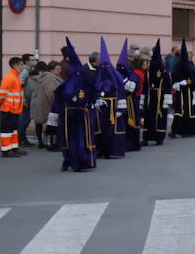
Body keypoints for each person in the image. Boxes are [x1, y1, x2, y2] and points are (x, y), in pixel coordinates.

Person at [52, 39, 99, 172]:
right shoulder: (83, 81)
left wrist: (55, 114)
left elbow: (58, 98)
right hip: (78, 115)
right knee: (78, 139)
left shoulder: (67, 84)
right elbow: (93, 96)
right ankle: (78, 162)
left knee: (71, 139)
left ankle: (69, 161)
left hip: (71, 114)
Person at [95, 40, 127, 159]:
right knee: (101, 129)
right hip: (101, 110)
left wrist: (121, 109)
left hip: (113, 109)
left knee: (112, 130)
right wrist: (96, 101)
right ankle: (100, 150)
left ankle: (113, 151)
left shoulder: (117, 78)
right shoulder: (97, 77)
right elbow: (94, 91)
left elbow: (121, 93)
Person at [169, 41, 195, 138]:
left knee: (188, 111)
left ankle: (189, 130)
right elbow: (174, 79)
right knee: (180, 111)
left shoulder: (190, 65)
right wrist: (179, 83)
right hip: (181, 93)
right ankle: (177, 130)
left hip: (189, 92)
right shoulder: (179, 66)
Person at [0, 56, 28, 158]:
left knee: (13, 130)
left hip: (14, 109)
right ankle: (6, 150)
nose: (23, 67)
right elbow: (1, 93)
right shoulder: (10, 77)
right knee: (7, 130)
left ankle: (13, 148)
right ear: (15, 65)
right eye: (21, 65)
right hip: (9, 109)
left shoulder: (15, 77)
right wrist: (4, 104)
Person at [142, 39, 172, 146]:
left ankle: (159, 137)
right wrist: (143, 99)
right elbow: (145, 86)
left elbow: (168, 88)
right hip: (150, 98)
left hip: (161, 98)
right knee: (149, 117)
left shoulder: (165, 74)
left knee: (160, 117)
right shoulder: (148, 74)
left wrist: (167, 101)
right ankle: (147, 137)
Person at [33, 62, 62, 151]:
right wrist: (56, 103)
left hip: (41, 102)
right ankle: (50, 143)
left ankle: (42, 142)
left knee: (40, 122)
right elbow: (51, 93)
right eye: (57, 69)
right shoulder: (51, 79)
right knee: (51, 124)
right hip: (48, 104)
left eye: (60, 69)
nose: (59, 71)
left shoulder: (48, 77)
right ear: (51, 70)